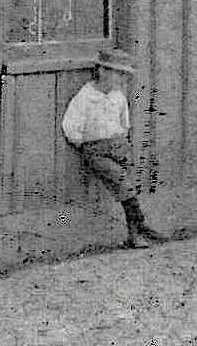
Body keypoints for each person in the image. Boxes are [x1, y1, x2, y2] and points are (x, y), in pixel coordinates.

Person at [61, 46, 167, 249]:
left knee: (129, 187)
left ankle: (134, 235)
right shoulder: (85, 98)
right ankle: (141, 226)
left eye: (125, 76)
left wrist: (120, 143)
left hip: (118, 147)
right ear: (102, 71)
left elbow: (124, 123)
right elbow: (71, 126)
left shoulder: (118, 97)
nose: (122, 80)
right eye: (118, 74)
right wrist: (85, 144)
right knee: (123, 184)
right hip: (96, 151)